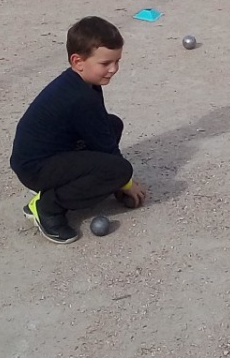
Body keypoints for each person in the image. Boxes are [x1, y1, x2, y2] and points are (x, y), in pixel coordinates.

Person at [10, 16, 147, 244]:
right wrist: (125, 181)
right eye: (105, 63)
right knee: (119, 170)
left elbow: (101, 131)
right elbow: (106, 149)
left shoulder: (84, 83)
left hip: (54, 153)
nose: (114, 69)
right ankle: (46, 207)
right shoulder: (80, 97)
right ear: (78, 61)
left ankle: (85, 185)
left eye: (117, 61)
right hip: (35, 167)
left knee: (113, 125)